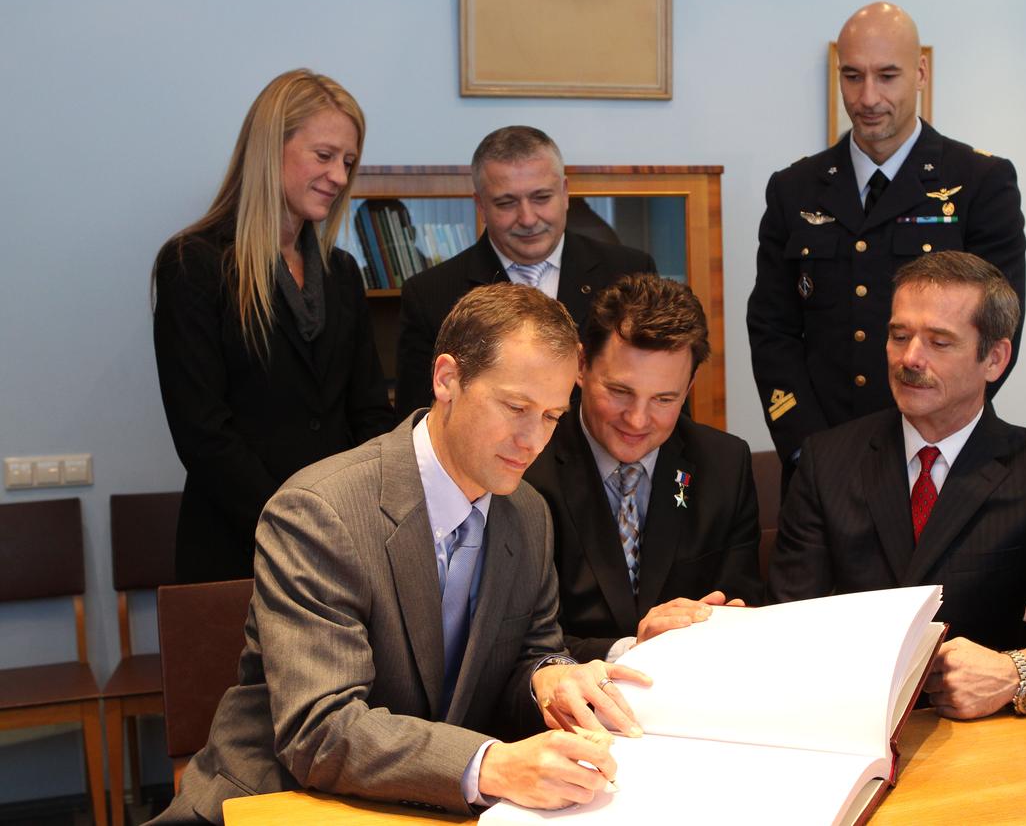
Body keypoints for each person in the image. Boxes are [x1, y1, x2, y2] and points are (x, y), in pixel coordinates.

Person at [150, 284, 652, 824]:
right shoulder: (319, 512)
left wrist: (547, 679)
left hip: (424, 805)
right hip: (277, 799)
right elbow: (319, 730)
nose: (533, 441)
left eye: (552, 416)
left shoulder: (528, 513)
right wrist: (491, 766)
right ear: (446, 379)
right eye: (515, 407)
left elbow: (529, 652)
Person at [768, 251, 1026, 719]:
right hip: (843, 721)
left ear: (994, 358)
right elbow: (784, 624)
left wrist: (1021, 671)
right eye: (899, 336)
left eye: (939, 342)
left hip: (982, 739)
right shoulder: (827, 459)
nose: (909, 358)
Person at [747, 2, 1026, 482]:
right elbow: (772, 331)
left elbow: (998, 333)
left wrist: (929, 441)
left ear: (921, 73)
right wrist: (806, 449)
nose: (868, 96)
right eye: (852, 76)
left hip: (939, 462)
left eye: (887, 76)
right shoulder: (794, 188)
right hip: (819, 461)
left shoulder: (980, 181)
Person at [152, 69, 395, 583]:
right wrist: (293, 524)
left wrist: (364, 517)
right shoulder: (192, 264)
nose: (339, 175)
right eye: (324, 155)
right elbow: (203, 433)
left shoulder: (343, 272)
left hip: (342, 545)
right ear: (270, 148)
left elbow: (369, 413)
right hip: (237, 548)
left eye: (348, 161)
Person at [524, 274, 764, 662]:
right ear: (581, 366)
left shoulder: (725, 464)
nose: (637, 421)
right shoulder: (527, 465)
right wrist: (630, 650)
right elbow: (520, 646)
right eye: (620, 392)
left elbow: (741, 605)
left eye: (664, 399)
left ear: (688, 387)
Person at [395, 125, 656, 417]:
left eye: (541, 198)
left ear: (565, 192)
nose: (528, 218)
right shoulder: (430, 294)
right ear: (480, 205)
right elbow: (420, 420)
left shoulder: (629, 273)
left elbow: (660, 389)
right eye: (506, 203)